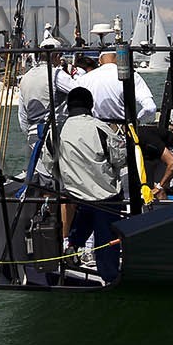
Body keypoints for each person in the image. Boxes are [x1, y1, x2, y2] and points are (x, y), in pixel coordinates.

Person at [48, 87, 124, 283]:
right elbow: (119, 159)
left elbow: (49, 164)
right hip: (105, 196)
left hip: (75, 194)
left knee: (84, 218)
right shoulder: (101, 128)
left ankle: (72, 246)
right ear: (91, 105)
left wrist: (67, 179)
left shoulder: (55, 132)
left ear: (67, 107)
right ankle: (109, 277)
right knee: (106, 240)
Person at [73, 51, 159, 123]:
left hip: (95, 132)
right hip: (123, 133)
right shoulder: (131, 76)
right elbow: (150, 108)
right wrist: (136, 121)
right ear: (119, 58)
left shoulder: (84, 79)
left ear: (100, 60)